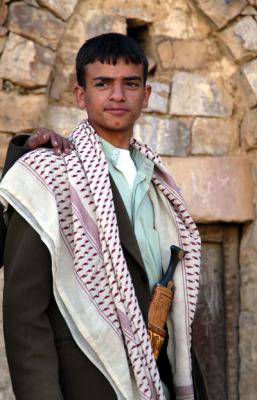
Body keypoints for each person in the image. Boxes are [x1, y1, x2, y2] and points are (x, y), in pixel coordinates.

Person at [0, 33, 206, 400]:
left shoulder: (160, 184)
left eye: (130, 84)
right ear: (81, 94)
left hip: (158, 383)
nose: (117, 95)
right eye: (102, 84)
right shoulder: (51, 178)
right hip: (89, 384)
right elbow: (24, 316)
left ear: (146, 95)